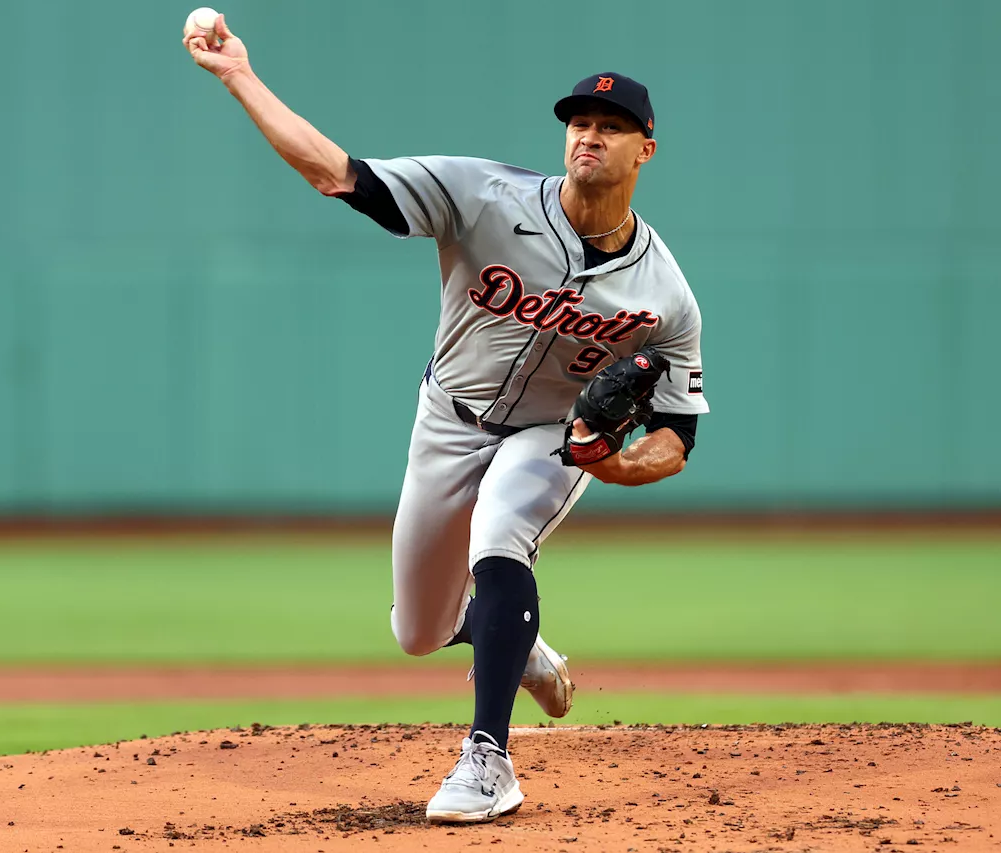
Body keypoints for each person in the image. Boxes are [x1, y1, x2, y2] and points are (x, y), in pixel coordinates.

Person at [184, 15, 709, 825]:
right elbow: (338, 174)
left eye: (612, 127)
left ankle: (488, 759)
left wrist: (610, 462)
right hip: (448, 419)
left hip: (550, 435)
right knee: (418, 631)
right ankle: (512, 638)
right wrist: (239, 77)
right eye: (579, 123)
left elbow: (677, 436)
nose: (589, 136)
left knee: (501, 532)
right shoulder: (483, 196)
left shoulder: (665, 293)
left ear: (646, 149)